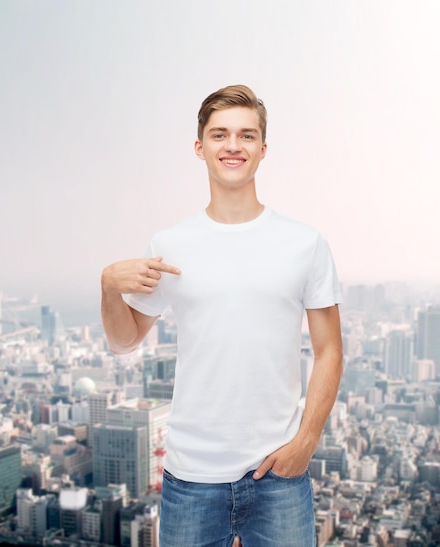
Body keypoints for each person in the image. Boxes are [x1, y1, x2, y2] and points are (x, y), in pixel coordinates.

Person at [101, 84, 343, 547]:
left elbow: (330, 348)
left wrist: (306, 441)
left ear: (263, 149)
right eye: (220, 135)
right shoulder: (170, 244)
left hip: (280, 475)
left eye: (246, 135)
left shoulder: (305, 243)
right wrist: (109, 287)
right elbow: (125, 340)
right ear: (200, 147)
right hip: (191, 478)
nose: (233, 146)